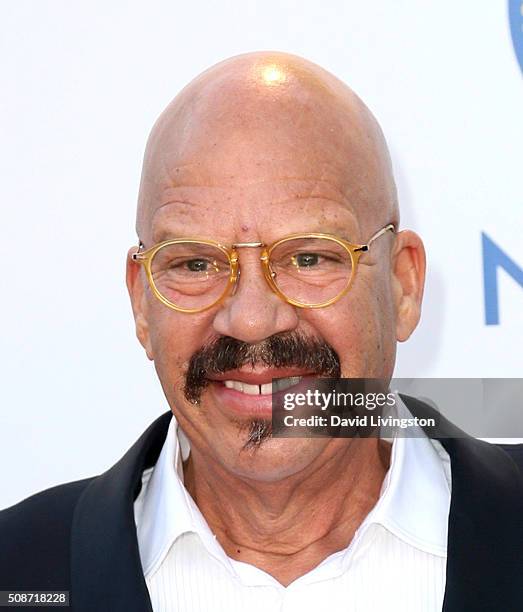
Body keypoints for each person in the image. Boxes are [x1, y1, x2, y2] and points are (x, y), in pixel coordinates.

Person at [1, 51, 522, 612]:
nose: (251, 318)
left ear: (402, 285)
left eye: (309, 259)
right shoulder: (20, 571)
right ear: (141, 300)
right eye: (196, 264)